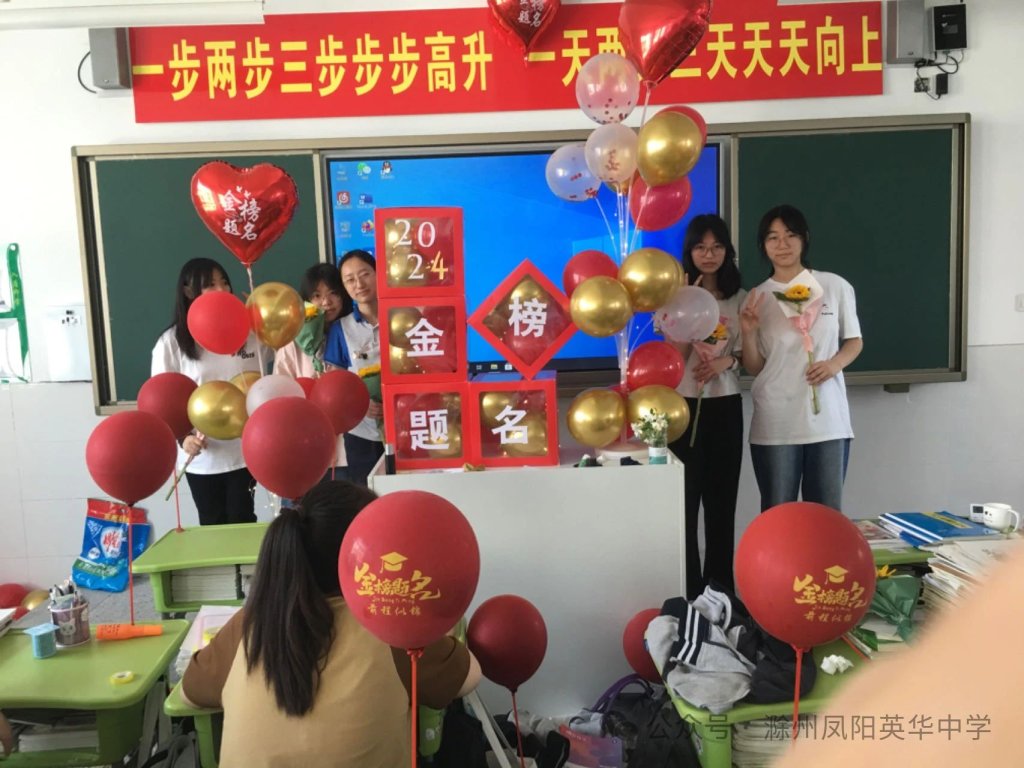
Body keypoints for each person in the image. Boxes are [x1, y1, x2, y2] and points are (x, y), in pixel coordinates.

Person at [181, 480, 479, 768]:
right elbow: (469, 678)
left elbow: (188, 694)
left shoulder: (250, 622)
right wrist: (433, 626)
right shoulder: (389, 626)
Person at [739, 205, 863, 512]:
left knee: (826, 516)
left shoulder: (833, 286)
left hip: (828, 421)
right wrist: (748, 332)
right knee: (778, 515)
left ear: (804, 238)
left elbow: (855, 341)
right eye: (773, 237)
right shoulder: (757, 298)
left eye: (790, 235)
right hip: (776, 422)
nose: (782, 244)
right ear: (763, 245)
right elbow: (755, 367)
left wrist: (833, 365)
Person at [152, 258, 269, 525]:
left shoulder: (249, 333)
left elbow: (283, 353)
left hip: (244, 449)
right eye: (211, 284)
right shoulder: (172, 343)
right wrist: (183, 438)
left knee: (243, 518)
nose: (221, 290)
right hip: (202, 455)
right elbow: (162, 401)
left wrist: (262, 316)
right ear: (188, 291)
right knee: (211, 522)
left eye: (224, 282)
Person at [667, 214, 746, 599]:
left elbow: (748, 358)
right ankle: (689, 594)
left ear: (727, 251)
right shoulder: (673, 297)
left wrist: (724, 362)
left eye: (716, 247)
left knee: (721, 507)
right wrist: (687, 309)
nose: (709, 254)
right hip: (683, 409)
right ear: (690, 252)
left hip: (725, 407)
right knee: (684, 507)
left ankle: (721, 595)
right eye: (700, 247)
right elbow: (672, 361)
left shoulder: (740, 297)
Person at [274, 263, 352, 480]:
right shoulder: (292, 343)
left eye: (333, 293)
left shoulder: (354, 334)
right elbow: (280, 396)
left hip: (350, 450)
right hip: (305, 448)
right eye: (317, 296)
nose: (326, 302)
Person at [324, 249, 383, 486]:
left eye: (365, 274)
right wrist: (361, 405)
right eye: (350, 280)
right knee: (367, 498)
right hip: (362, 435)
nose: (359, 284)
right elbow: (336, 385)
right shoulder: (341, 329)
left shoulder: (402, 316)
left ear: (379, 273)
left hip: (407, 428)